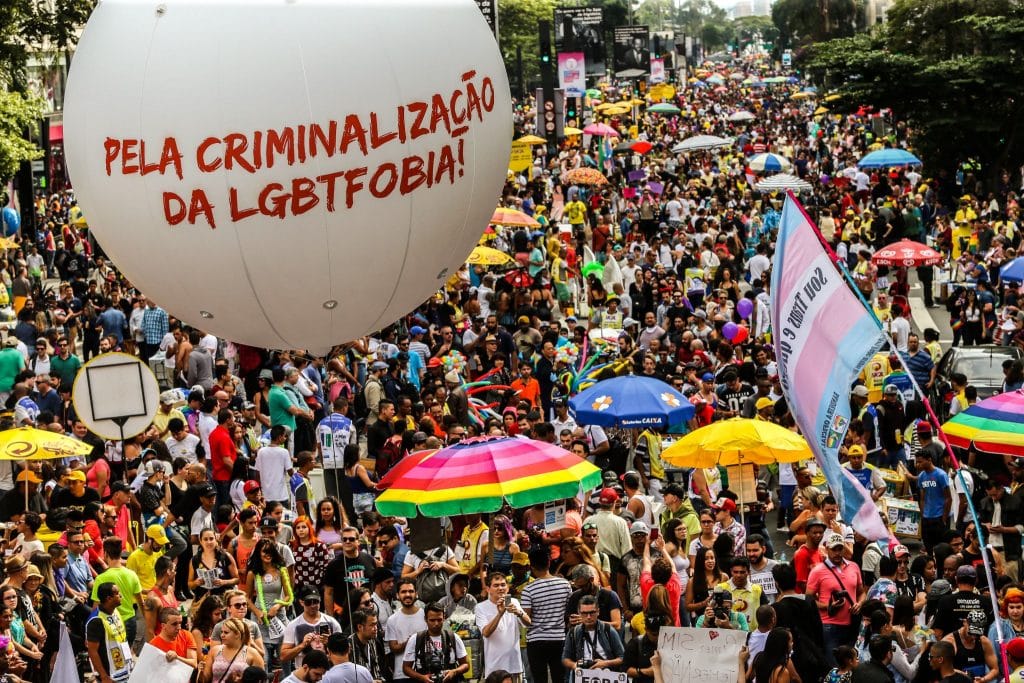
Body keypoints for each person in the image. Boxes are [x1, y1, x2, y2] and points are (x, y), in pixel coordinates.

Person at [520, 546, 571, 683]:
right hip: (559, 639)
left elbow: (527, 621)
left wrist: (519, 613)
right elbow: (568, 611)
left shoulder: (528, 590)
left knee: (539, 679)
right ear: (549, 563)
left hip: (536, 641)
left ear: (531, 567)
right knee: (559, 678)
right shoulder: (565, 585)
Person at [475, 572, 528, 680]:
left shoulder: (514, 602)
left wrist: (519, 613)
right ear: (488, 589)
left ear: (508, 588)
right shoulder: (480, 607)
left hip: (514, 665)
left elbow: (528, 623)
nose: (500, 588)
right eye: (496, 585)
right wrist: (500, 614)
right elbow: (486, 633)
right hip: (494, 668)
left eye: (503, 585)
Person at [401, 602, 469, 683]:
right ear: (425, 619)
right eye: (432, 620)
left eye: (439, 620)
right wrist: (421, 677)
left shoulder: (453, 637)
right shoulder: (416, 639)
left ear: (444, 618)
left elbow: (466, 664)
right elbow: (406, 668)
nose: (436, 624)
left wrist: (454, 672)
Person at [562, 594, 624, 672]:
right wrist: (575, 665)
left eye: (592, 613)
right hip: (582, 674)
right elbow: (565, 658)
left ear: (598, 612)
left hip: (606, 673)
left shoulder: (608, 630)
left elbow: (623, 657)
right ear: (579, 613)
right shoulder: (573, 633)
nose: (588, 617)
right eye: (584, 613)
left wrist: (606, 663)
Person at [86, 582, 134, 683]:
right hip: (111, 676)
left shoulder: (115, 611)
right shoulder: (96, 620)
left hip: (126, 669)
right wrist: (104, 676)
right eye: (117, 593)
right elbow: (92, 651)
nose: (120, 595)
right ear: (109, 598)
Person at [385, 578, 426, 682]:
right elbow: (393, 647)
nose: (407, 594)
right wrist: (409, 642)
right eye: (403, 592)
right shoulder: (392, 620)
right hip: (401, 675)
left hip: (424, 672)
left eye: (411, 591)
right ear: (398, 595)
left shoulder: (426, 616)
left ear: (416, 594)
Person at [202, 617, 265, 683]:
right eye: (222, 632)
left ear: (237, 634)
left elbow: (261, 679)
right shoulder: (215, 651)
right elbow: (205, 680)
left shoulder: (252, 653)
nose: (222, 635)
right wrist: (201, 671)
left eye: (226, 632)